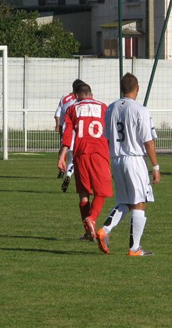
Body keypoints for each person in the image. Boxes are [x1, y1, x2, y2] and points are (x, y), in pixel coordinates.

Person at [96, 73, 161, 256]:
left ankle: (104, 230)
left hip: (117, 159)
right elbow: (148, 141)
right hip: (134, 159)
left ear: (121, 88)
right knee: (140, 202)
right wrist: (155, 167)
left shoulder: (110, 109)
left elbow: (107, 138)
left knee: (125, 201)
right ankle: (134, 248)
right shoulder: (140, 110)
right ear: (137, 88)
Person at [57, 83, 112, 241]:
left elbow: (67, 134)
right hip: (99, 153)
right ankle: (92, 219)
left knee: (83, 195)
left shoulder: (72, 108)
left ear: (75, 95)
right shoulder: (103, 107)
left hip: (80, 154)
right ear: (91, 94)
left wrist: (62, 156)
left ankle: (88, 232)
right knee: (101, 192)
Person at [55, 79, 85, 191]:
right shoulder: (84, 105)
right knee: (81, 161)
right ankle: (73, 176)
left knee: (71, 159)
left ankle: (67, 174)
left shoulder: (67, 103)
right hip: (82, 136)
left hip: (69, 136)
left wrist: (60, 130)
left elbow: (62, 121)